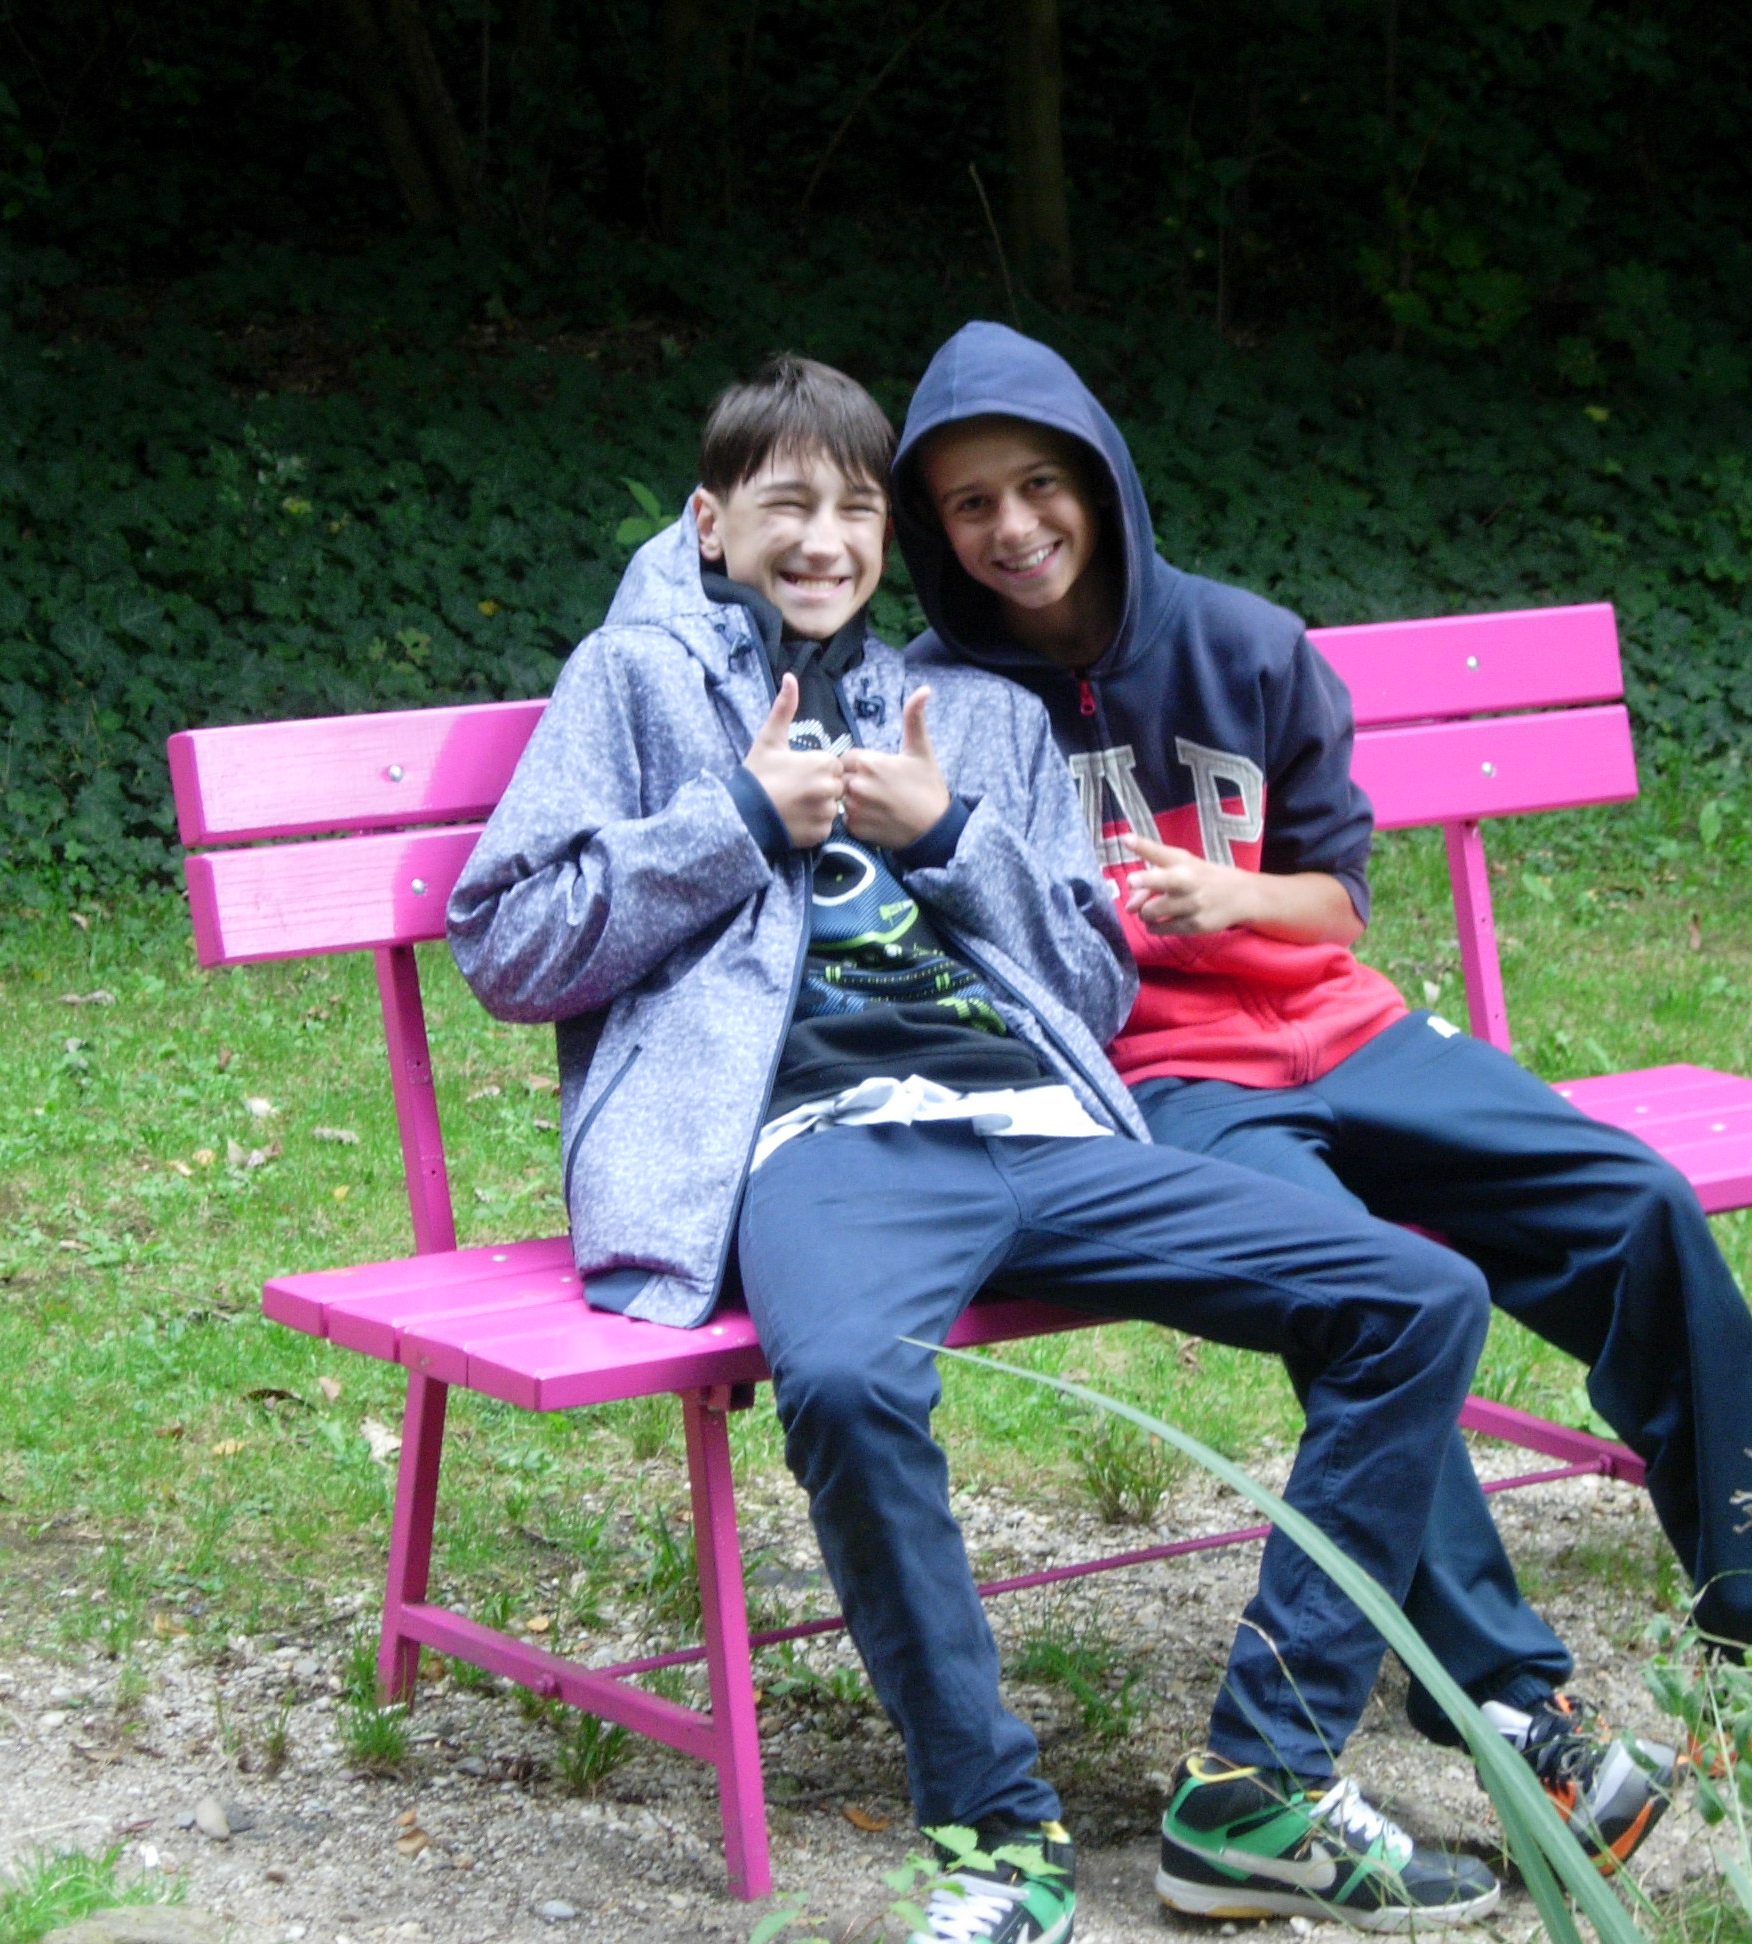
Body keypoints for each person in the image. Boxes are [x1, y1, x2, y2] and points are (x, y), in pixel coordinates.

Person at [448, 353, 1510, 1942]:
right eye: (786, 506)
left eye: (856, 510)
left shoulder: (980, 715)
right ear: (711, 522)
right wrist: (736, 821)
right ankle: (996, 1832)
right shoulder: (633, 684)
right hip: (822, 1146)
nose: (823, 540)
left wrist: (948, 836)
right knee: (848, 1383)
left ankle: (1260, 1790)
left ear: (889, 539)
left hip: (1039, 1123)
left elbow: (1094, 983)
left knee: (1415, 1299)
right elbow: (508, 942)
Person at [895, 321, 1752, 1876]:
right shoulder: (941, 702)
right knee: (1377, 1293)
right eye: (970, 503)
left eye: (1039, 484)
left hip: (1346, 1029)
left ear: (1103, 478)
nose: (1014, 526)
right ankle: (1516, 1702)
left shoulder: (1249, 647)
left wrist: (1232, 897)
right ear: (933, 530)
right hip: (1165, 1078)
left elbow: (1337, 903)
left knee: (1637, 1203)